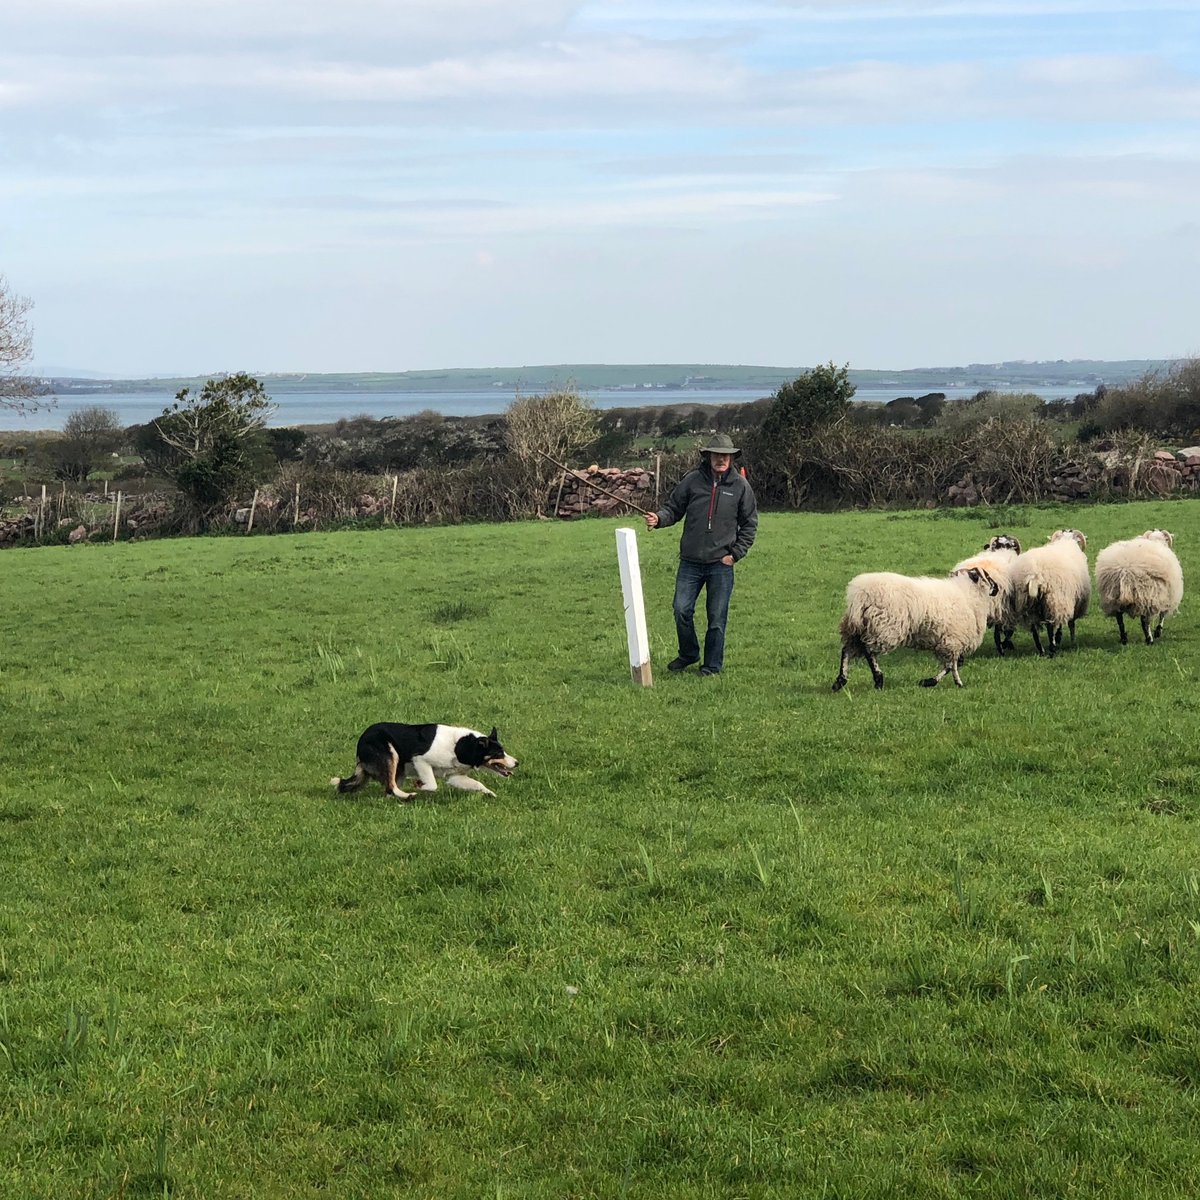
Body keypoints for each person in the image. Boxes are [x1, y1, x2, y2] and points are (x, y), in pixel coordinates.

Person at [644, 432, 758, 676]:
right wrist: (659, 519)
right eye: (717, 455)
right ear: (708, 457)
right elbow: (673, 509)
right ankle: (689, 653)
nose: (721, 459)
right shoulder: (692, 481)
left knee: (717, 619)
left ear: (731, 458)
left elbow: (750, 524)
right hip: (690, 562)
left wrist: (735, 554)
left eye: (726, 456)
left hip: (721, 564)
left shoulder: (740, 486)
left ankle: (711, 667)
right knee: (681, 609)